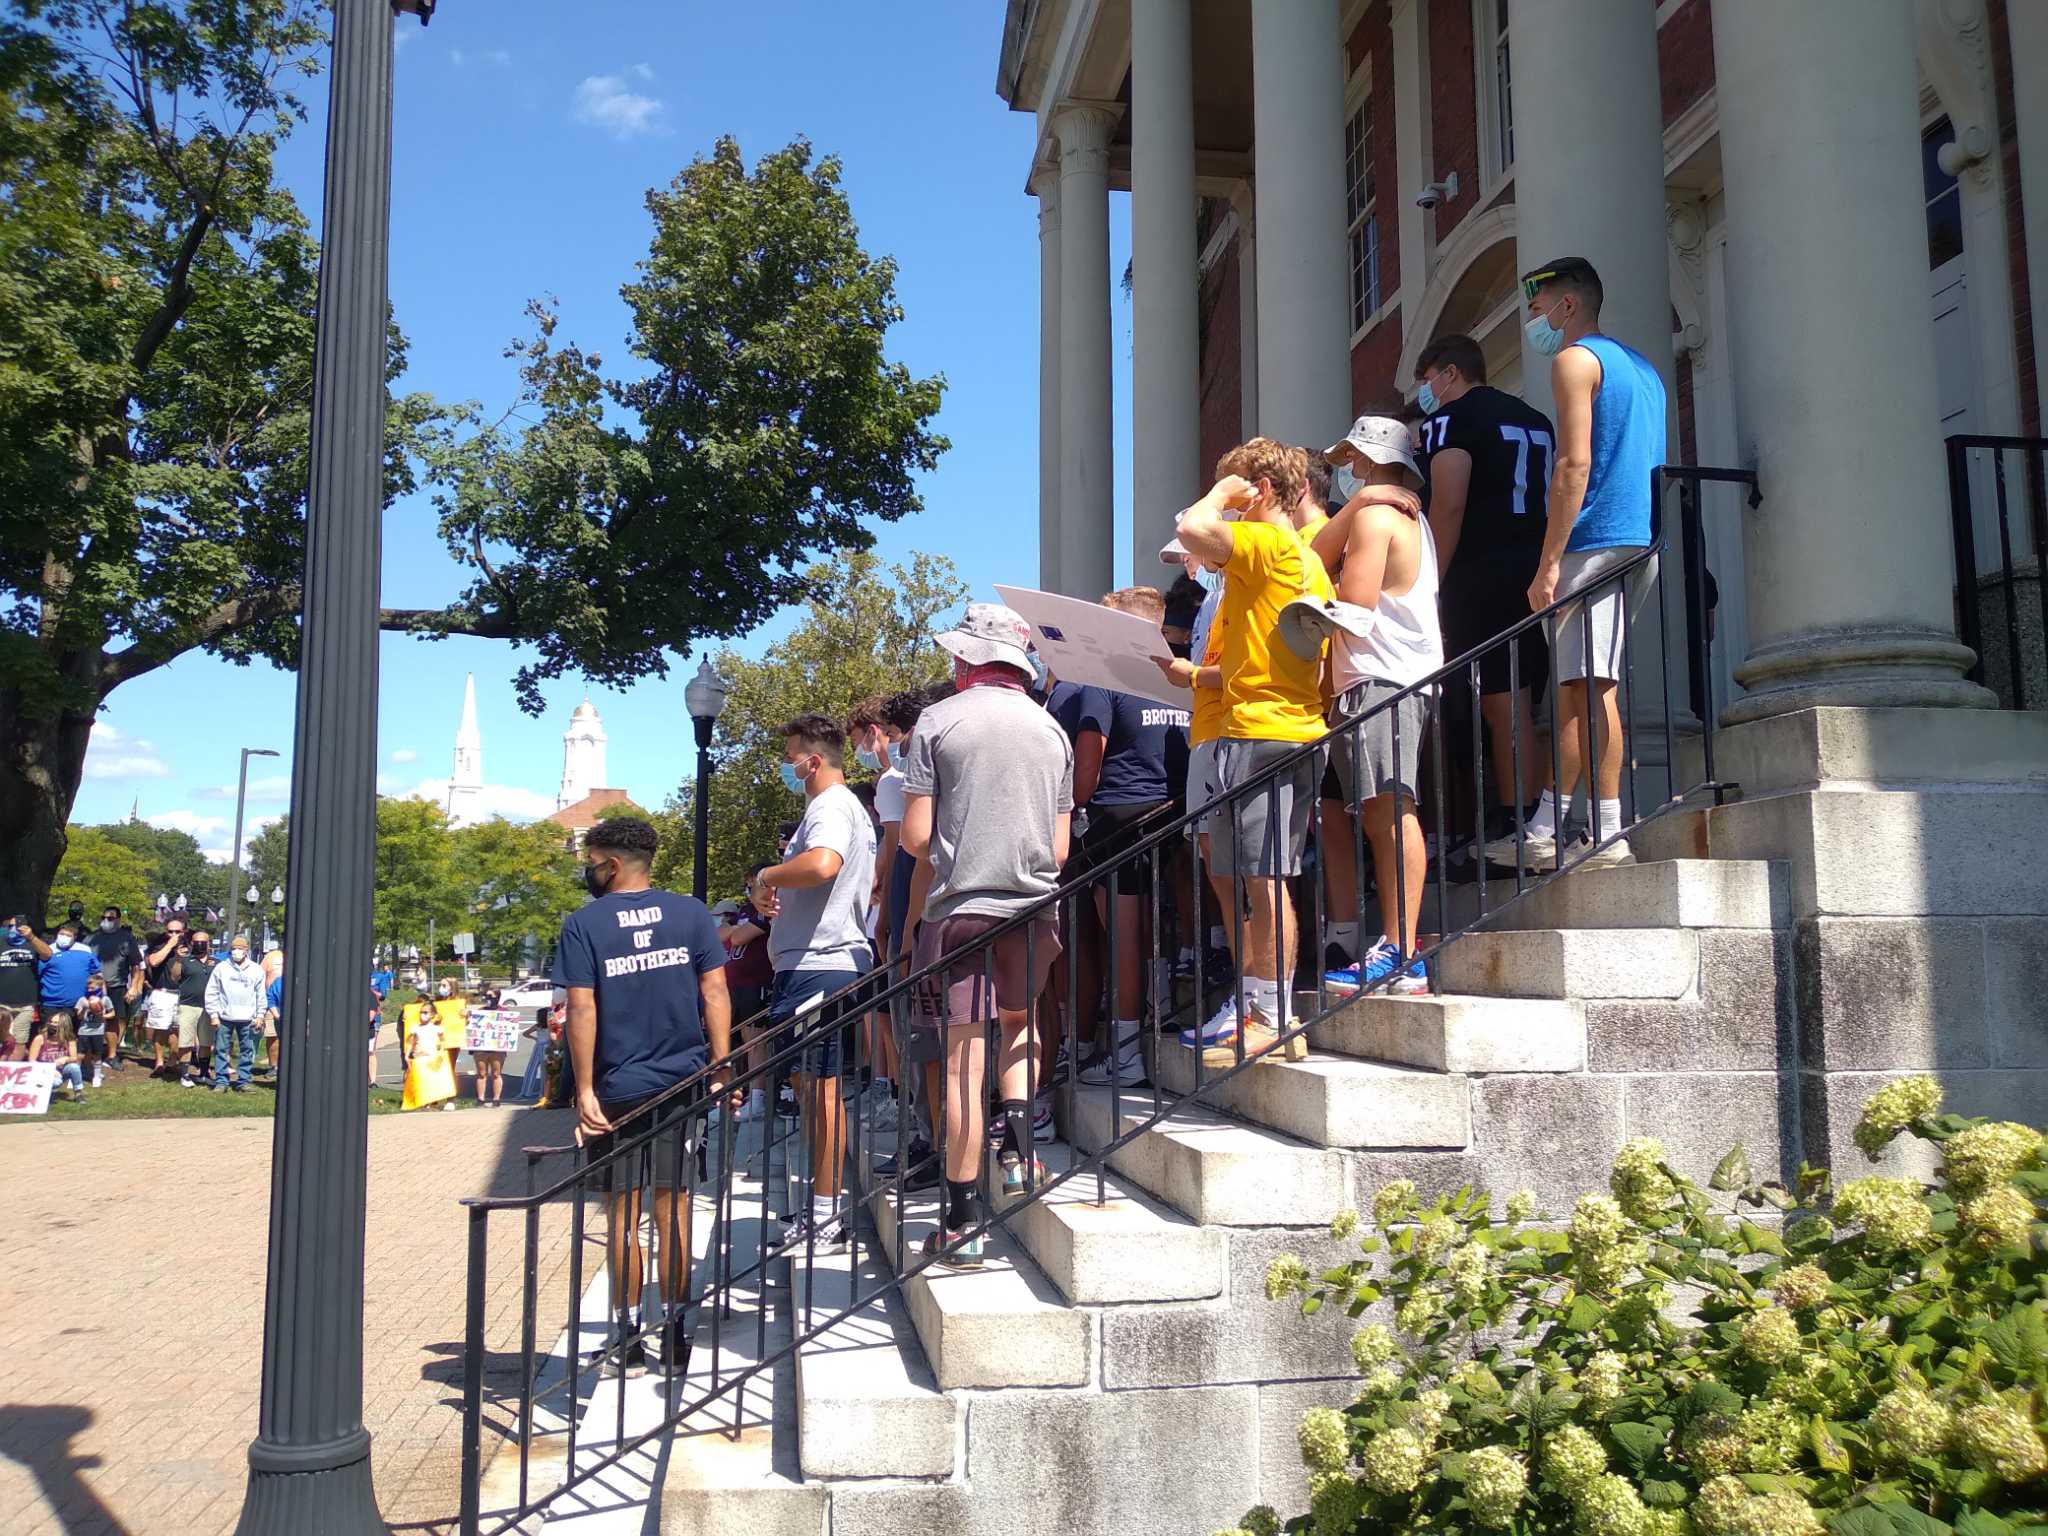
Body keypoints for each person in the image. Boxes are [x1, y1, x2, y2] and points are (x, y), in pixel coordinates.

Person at [901, 603, 1071, 1267]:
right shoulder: (1051, 730)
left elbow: (916, 837)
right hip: (1032, 906)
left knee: (964, 1062)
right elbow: (1058, 849)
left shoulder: (939, 721)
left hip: (961, 909)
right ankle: (1020, 1147)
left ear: (969, 658)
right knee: (1021, 1023)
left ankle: (962, 1220)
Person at [1486, 257, 1664, 872]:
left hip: (1592, 540)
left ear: (1566, 306)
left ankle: (1577, 829)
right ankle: (1577, 825)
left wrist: (1548, 562)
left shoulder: (1574, 360)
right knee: (1588, 686)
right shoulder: (1643, 370)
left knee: (1581, 689)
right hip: (1638, 538)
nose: (1533, 322)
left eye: (1536, 309)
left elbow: (1573, 465)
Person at [1165, 439, 1336, 1061]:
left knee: (1262, 879)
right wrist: (1197, 677)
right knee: (1262, 876)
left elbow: (1192, 527)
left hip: (1262, 733)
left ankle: (1272, 1014)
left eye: (1239, 495)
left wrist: (1221, 494)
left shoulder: (1268, 545)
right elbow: (1276, 658)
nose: (1229, 514)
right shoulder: (1299, 561)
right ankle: (1269, 1008)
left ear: (1259, 492)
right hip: (1277, 727)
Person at [555, 815, 732, 1379]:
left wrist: (582, 1088)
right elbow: (715, 990)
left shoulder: (584, 925)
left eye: (591, 860)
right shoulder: (690, 913)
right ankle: (676, 1330)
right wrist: (720, 1066)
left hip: (618, 1089)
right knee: (674, 1207)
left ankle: (628, 1334)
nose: (588, 870)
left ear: (611, 864)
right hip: (681, 1081)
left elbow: (582, 1009)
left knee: (624, 1216)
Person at [1306, 415, 1444, 996]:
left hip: (1381, 678)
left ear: (1367, 458)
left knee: (1390, 811)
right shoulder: (1389, 511)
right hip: (1384, 677)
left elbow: (1352, 604)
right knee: (1383, 812)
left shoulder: (1378, 516)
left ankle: (1402, 951)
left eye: (1354, 462)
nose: (1349, 472)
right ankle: (1397, 944)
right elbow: (1314, 551)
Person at [1410, 332, 1554, 863]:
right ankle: (1528, 810)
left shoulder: (1450, 419)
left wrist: (1431, 581)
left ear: (1449, 373)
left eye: (1428, 379)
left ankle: (1511, 814)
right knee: (1520, 694)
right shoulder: (1535, 417)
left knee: (1496, 700)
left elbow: (1448, 502)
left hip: (1479, 569)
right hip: (1533, 564)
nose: (1427, 391)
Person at [759, 714, 876, 1256]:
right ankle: (824, 1208)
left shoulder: (829, 806)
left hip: (818, 964)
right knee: (812, 1088)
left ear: (813, 759)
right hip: (810, 962)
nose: (786, 766)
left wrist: (766, 875)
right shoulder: (839, 807)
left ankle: (828, 1216)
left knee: (821, 1089)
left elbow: (824, 864)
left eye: (790, 756)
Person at [1071, 587, 1189, 1090]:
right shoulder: (1181, 675)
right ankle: (1163, 997)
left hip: (1119, 819)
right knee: (1154, 923)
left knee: (1121, 933)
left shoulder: (1106, 677)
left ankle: (1124, 1051)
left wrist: (1074, 809)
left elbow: (1086, 767)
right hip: (1179, 812)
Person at [18, 920, 99, 1063]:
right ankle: (44, 1064)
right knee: (47, 1036)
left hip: (76, 1004)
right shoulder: (47, 950)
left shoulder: (85, 950)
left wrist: (95, 995)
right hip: (51, 1003)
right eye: (61, 934)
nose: (64, 937)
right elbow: (38, 974)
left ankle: (72, 1065)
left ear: (75, 937)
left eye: (68, 935)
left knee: (72, 1037)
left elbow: (96, 974)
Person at [202, 935, 266, 1093]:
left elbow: (261, 995)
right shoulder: (221, 968)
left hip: (248, 1018)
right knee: (221, 1049)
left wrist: (260, 1015)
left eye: (240, 948)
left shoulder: (256, 970)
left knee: (247, 1050)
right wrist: (214, 1015)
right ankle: (222, 1082)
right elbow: (212, 992)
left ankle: (244, 1081)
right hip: (224, 1017)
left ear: (246, 950)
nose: (237, 951)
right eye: (234, 948)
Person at [89, 905, 142, 1071]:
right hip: (92, 987)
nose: (106, 921)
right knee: (89, 1020)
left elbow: (136, 965)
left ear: (118, 920)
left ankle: (112, 1055)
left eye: (110, 918)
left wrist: (133, 987)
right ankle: (90, 1055)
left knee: (113, 1021)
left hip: (116, 986)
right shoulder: (91, 938)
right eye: (104, 918)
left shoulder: (126, 938)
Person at [170, 928, 215, 1087]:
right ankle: (185, 1074)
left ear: (208, 943)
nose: (200, 945)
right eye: (196, 942)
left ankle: (203, 1073)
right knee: (186, 1041)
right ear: (191, 943)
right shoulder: (186, 961)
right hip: (188, 1005)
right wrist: (177, 959)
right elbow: (175, 977)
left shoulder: (216, 962)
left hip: (209, 1007)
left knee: (205, 1042)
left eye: (203, 942)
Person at [401, 984, 458, 1111]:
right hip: (420, 1057)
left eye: (426, 1012)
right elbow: (411, 1041)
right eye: (421, 1012)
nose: (423, 1015)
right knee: (421, 1081)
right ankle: (423, 1102)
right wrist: (407, 1054)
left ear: (432, 1014)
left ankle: (433, 1101)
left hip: (432, 1057)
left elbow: (443, 1041)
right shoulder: (416, 1028)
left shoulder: (437, 1028)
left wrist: (441, 1053)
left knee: (432, 1081)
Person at [140, 919, 184, 1075]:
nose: (173, 934)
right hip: (162, 992)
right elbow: (153, 961)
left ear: (183, 932)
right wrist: (170, 945)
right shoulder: (158, 946)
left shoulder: (188, 947)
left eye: (177, 932)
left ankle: (172, 1061)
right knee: (159, 1029)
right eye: (170, 931)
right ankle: (159, 1062)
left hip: (181, 994)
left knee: (176, 1030)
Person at [26, 1011, 85, 1104]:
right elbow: (31, 1061)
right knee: (56, 1082)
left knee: (74, 1067)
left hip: (61, 1070)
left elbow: (74, 1058)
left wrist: (65, 1059)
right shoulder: (40, 1038)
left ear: (63, 1025)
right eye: (51, 1022)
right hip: (43, 1071)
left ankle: (78, 1094)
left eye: (56, 1023)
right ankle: (44, 1094)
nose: (52, 1024)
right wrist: (50, 1069)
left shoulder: (69, 1039)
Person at [1, 916, 38, 1063]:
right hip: (2, 1002)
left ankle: (12, 1072)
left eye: (15, 926)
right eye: (9, 926)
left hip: (25, 1003)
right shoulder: (1, 943)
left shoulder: (32, 945)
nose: (12, 929)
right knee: (3, 1038)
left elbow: (48, 954)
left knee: (20, 1040)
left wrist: (31, 938)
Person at [74, 974, 116, 1085]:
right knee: (80, 1055)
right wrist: (85, 1009)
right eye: (88, 988)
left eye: (92, 988)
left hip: (98, 1031)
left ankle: (96, 1076)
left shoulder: (105, 999)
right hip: (84, 1031)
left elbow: (112, 1013)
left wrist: (103, 1016)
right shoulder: (83, 999)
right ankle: (75, 1077)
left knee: (97, 1054)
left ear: (100, 987)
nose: (89, 990)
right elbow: (79, 1017)